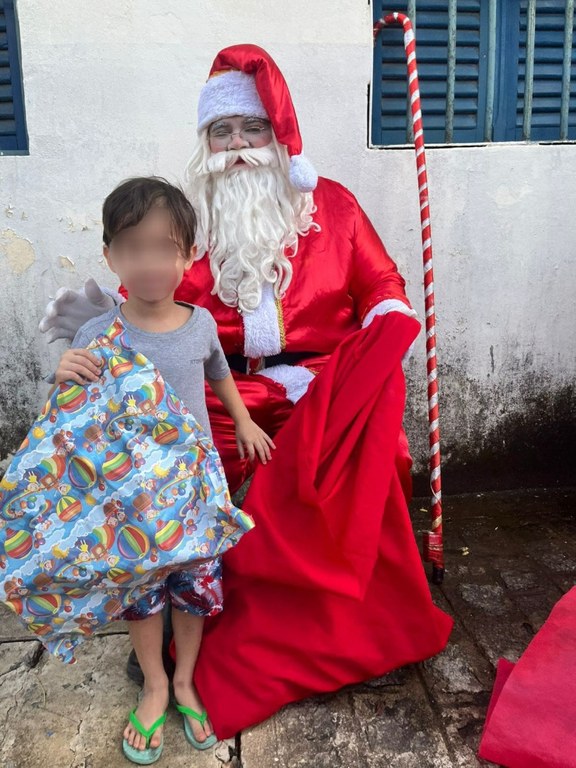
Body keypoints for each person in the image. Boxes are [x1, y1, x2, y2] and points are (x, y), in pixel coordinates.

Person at [39, 45, 453, 738]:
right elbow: (142, 306)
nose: (237, 148)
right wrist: (88, 355)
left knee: (370, 452)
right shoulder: (185, 220)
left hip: (318, 383)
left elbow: (381, 284)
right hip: (217, 388)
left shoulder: (334, 206)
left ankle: (350, 622)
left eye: (250, 130)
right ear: (206, 144)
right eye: (221, 133)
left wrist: (389, 319)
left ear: (276, 135)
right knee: (163, 467)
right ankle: (184, 613)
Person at [50, 176, 274, 763]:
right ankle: (153, 685)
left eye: (163, 247)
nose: (148, 263)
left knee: (194, 589)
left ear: (189, 255)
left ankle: (183, 679)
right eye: (132, 248)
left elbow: (218, 373)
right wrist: (64, 374)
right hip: (131, 497)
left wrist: (243, 420)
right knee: (143, 594)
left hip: (196, 490)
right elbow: (74, 416)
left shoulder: (200, 323)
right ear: (109, 256)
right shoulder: (98, 335)